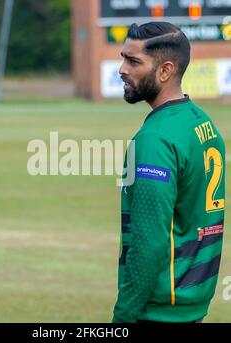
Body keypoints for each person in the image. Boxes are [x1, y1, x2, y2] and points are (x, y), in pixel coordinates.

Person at [112, 22, 225, 323]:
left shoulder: (155, 140)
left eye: (133, 61)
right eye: (123, 57)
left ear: (165, 71)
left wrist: (122, 318)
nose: (122, 69)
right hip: (194, 304)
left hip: (159, 310)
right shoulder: (201, 122)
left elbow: (150, 243)